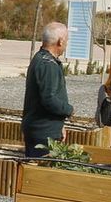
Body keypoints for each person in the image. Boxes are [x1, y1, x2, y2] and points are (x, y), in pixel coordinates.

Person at [22, 22, 73, 156]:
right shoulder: (48, 64)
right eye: (67, 40)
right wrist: (69, 110)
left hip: (43, 128)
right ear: (60, 41)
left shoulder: (40, 58)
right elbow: (49, 99)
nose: (67, 44)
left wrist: (60, 126)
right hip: (43, 132)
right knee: (40, 173)